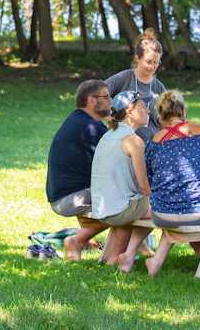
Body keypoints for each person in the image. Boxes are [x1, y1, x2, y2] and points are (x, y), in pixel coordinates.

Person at [143, 91, 200, 277]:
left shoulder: (153, 142)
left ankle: (155, 263)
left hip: (163, 215)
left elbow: (151, 177)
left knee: (175, 204)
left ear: (159, 117)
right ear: (184, 111)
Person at [45, 79, 112, 261]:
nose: (110, 101)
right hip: (69, 199)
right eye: (106, 97)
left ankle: (88, 239)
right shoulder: (91, 128)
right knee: (129, 205)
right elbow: (120, 161)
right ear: (91, 100)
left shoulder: (77, 119)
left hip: (59, 195)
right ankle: (77, 240)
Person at [90, 90, 152, 273]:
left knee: (136, 208)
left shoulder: (107, 135)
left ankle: (110, 259)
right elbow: (143, 186)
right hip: (118, 209)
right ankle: (130, 254)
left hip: (102, 208)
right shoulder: (133, 140)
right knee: (163, 208)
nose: (148, 110)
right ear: (130, 110)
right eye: (143, 106)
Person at [105, 29, 167, 142]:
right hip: (124, 145)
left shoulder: (159, 87)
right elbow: (99, 94)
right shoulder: (124, 78)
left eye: (156, 62)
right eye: (149, 61)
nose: (152, 66)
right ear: (138, 58)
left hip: (151, 147)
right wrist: (111, 120)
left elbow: (168, 119)